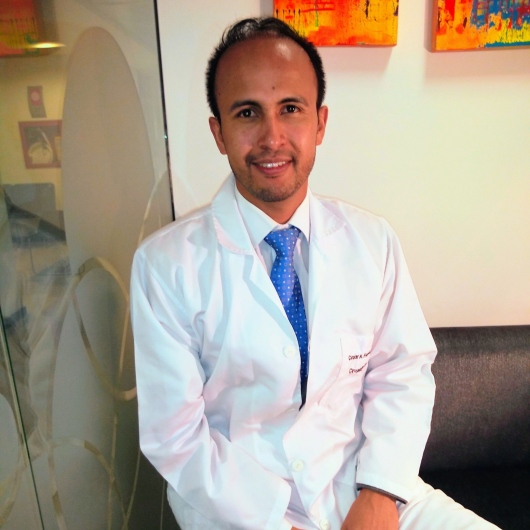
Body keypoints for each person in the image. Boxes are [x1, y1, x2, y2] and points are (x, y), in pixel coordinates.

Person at [130, 17, 499, 530]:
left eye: (291, 109)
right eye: (247, 113)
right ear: (219, 133)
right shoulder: (165, 266)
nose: (272, 137)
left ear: (320, 123)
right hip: (238, 509)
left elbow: (401, 371)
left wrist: (379, 492)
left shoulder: (372, 242)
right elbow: (175, 436)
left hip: (366, 487)